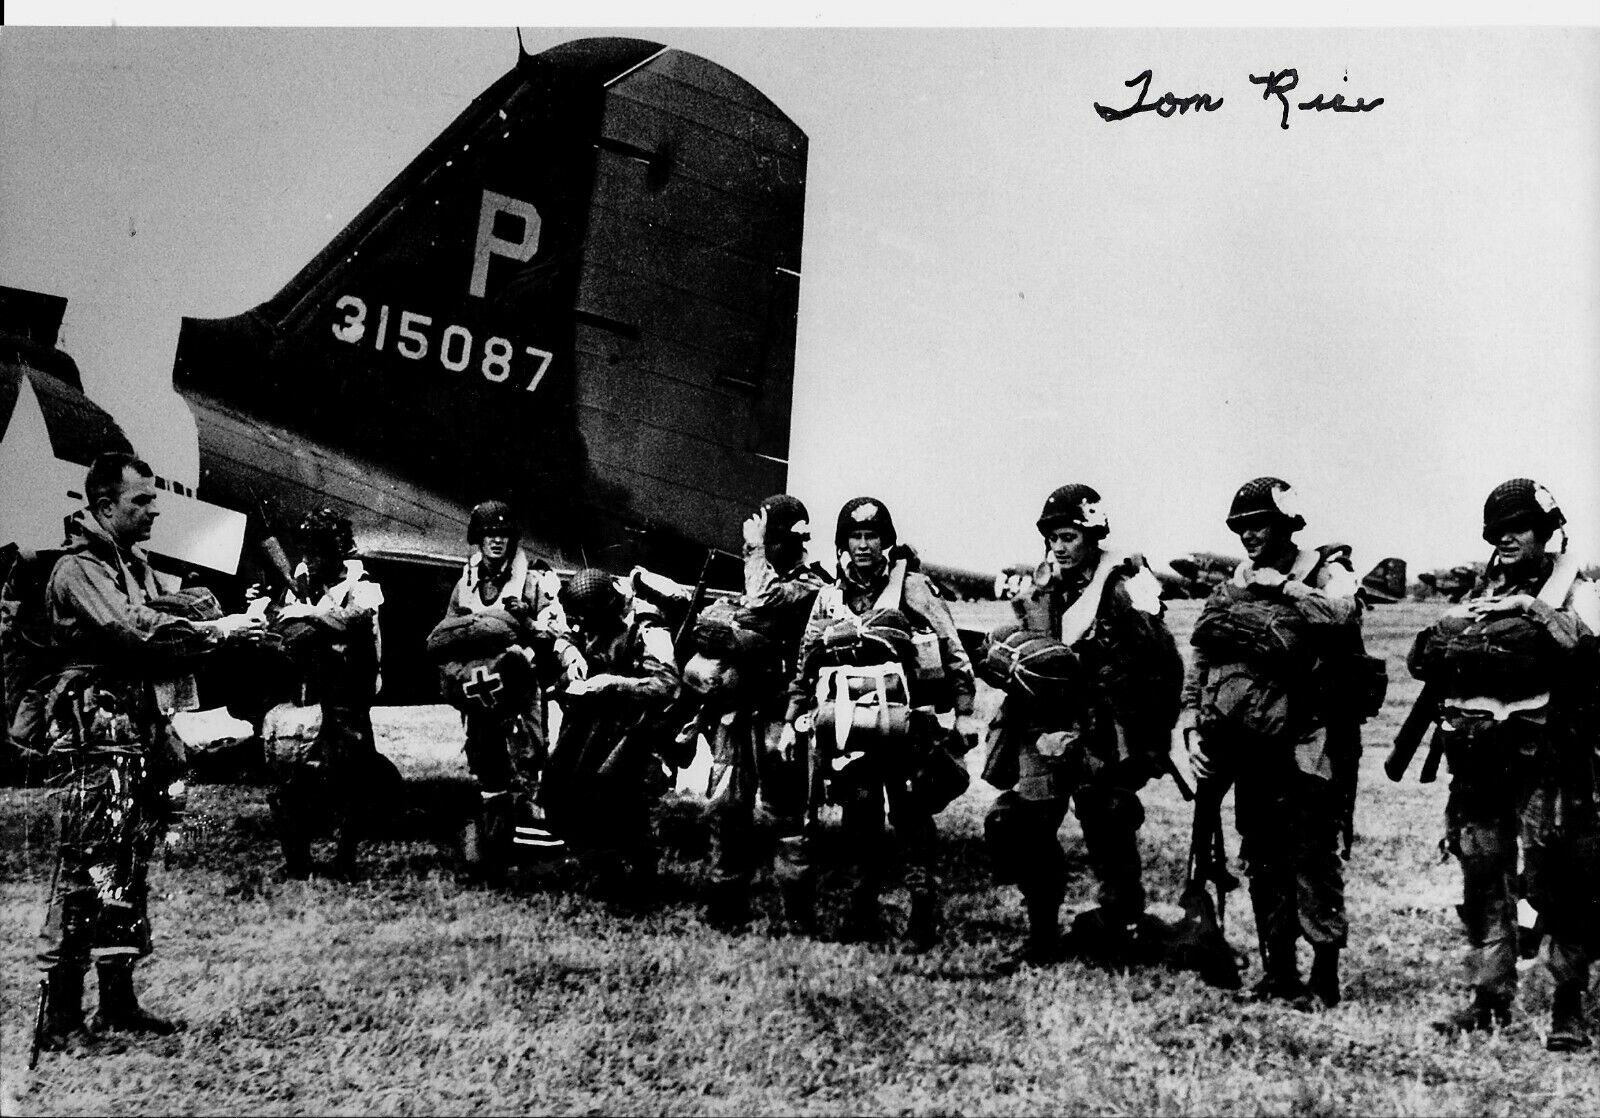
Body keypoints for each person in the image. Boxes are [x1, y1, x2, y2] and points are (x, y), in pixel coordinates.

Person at [34, 452, 263, 1051]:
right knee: (86, 869)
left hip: (136, 730)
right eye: (142, 500)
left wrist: (197, 612)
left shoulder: (127, 565)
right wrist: (212, 629)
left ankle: (117, 1004)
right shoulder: (78, 570)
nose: (155, 509)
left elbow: (170, 609)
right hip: (96, 735)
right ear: (105, 506)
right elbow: (133, 632)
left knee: (127, 867)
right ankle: (59, 1019)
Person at [1408, 479, 1599, 1049]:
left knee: (1559, 880)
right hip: (1479, 759)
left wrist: (1531, 610)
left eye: (1519, 528)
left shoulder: (1577, 590)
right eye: (1499, 531)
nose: (1507, 539)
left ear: (1545, 534)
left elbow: (1588, 653)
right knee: (1485, 874)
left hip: (1551, 761)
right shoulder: (1479, 593)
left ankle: (1567, 1003)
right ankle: (1489, 997)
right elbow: (1426, 658)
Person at [980, 484, 1183, 965]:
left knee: (1108, 824)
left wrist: (1151, 741)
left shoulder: (1122, 589)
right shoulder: (1041, 589)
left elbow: (1164, 669)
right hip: (1040, 727)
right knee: (1020, 824)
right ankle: (1042, 935)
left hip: (1101, 732)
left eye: (1069, 535)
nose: (1059, 545)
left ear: (1092, 537)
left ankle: (1122, 928)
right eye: (1053, 536)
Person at [1183, 476, 1364, 1009]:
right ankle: (1277, 970)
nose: (1250, 536)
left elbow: (1340, 616)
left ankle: (1324, 976)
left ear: (1286, 525)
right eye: (1242, 527)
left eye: (1259, 524)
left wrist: (1284, 587)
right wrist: (1194, 723)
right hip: (1249, 743)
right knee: (1261, 856)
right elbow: (1204, 655)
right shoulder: (1230, 585)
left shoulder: (1328, 573)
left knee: (1312, 857)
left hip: (1311, 742)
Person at [780, 496, 978, 950]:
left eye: (872, 536)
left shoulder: (914, 590)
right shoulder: (830, 598)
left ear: (886, 541)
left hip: (910, 725)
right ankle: (861, 907)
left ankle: (922, 915)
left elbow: (954, 654)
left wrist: (964, 713)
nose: (864, 545)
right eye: (856, 536)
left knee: (911, 817)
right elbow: (805, 664)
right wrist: (794, 718)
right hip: (852, 727)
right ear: (844, 543)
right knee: (859, 813)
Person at [675, 495, 830, 930]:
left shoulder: (811, 586)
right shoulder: (759, 584)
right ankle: (725, 910)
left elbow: (765, 601)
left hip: (780, 713)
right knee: (726, 810)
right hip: (737, 712)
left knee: (784, 814)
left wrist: (753, 550)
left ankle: (799, 918)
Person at [440, 500, 571, 874]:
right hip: (481, 683)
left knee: (527, 757)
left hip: (521, 683)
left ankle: (534, 853)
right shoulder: (465, 584)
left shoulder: (535, 580)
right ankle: (493, 844)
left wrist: (527, 622)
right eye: (488, 535)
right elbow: (448, 631)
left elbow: (555, 630)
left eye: (503, 535)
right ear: (477, 540)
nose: (496, 542)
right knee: (485, 760)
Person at [542, 568, 679, 908]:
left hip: (631, 725)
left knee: (617, 798)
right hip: (589, 719)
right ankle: (601, 867)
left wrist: (613, 683)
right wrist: (570, 655)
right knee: (558, 787)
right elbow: (567, 634)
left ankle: (639, 877)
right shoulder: (588, 611)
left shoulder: (648, 625)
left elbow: (666, 684)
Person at [265, 507, 386, 881]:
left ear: (339, 551)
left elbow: (352, 621)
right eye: (309, 550)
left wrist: (310, 615)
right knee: (290, 778)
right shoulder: (300, 578)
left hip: (348, 693)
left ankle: (345, 862)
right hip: (308, 691)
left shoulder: (363, 585)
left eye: (321, 551)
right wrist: (281, 606)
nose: (311, 559)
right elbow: (277, 622)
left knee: (353, 779)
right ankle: (298, 864)